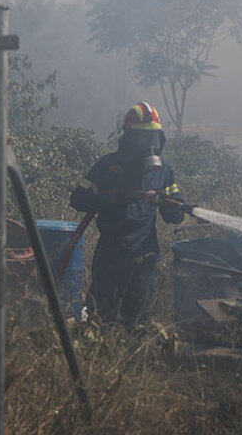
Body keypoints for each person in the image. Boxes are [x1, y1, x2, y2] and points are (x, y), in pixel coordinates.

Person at [69, 102, 186, 324]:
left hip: (145, 258)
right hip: (111, 256)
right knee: (102, 319)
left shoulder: (163, 170)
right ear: (130, 138)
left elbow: (174, 216)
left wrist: (172, 206)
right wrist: (117, 199)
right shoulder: (109, 166)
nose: (150, 145)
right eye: (144, 138)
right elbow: (78, 199)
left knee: (138, 323)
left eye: (154, 138)